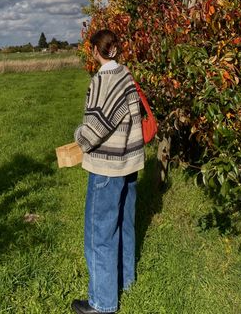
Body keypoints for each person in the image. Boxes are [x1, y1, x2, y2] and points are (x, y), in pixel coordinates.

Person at [71, 29, 145, 314]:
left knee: (98, 233)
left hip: (108, 168)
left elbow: (96, 127)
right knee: (124, 226)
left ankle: (102, 303)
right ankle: (126, 281)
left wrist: (78, 137)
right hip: (130, 163)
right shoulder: (127, 76)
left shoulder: (103, 80)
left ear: (94, 52)